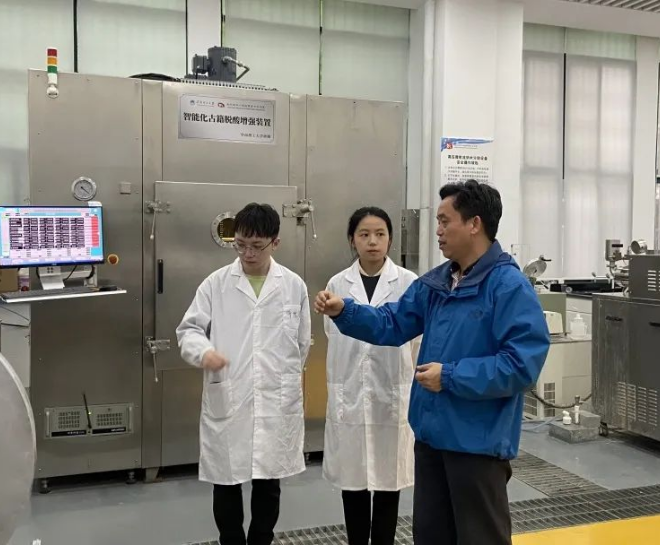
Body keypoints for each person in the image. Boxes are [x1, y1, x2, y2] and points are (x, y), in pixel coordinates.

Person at [315, 180, 550, 546]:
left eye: (444, 221)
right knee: (431, 535)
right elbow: (393, 323)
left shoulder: (508, 286)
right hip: (431, 439)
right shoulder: (438, 284)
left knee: (478, 537)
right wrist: (345, 310)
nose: (437, 230)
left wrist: (451, 376)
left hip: (476, 445)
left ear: (474, 224)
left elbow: (521, 365)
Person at [177, 203, 311, 546]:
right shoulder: (216, 284)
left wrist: (282, 375)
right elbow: (189, 330)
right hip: (230, 394)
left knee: (269, 482)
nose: (247, 254)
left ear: (275, 243)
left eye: (256, 246)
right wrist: (204, 352)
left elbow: (301, 343)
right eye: (240, 245)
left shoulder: (293, 285)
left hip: (275, 398)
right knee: (226, 481)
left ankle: (261, 540)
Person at [322, 207, 419, 546]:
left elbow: (417, 341)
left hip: (391, 389)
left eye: (380, 234)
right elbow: (333, 336)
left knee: (389, 482)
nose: (373, 242)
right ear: (353, 240)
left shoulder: (408, 282)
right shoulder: (338, 283)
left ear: (390, 239)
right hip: (350, 391)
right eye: (364, 235)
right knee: (354, 483)